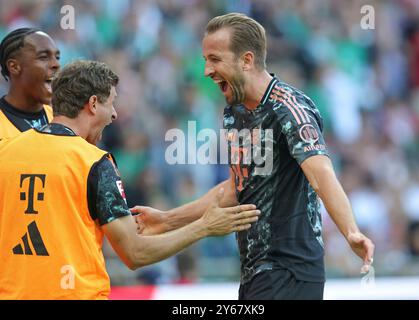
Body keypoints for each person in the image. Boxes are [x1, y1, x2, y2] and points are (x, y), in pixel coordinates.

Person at [133, 13, 374, 300]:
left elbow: (321, 174)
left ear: (246, 60)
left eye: (215, 59)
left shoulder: (289, 108)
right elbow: (238, 188)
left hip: (291, 272)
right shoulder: (236, 113)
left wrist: (350, 232)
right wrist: (167, 220)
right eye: (205, 59)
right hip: (256, 273)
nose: (207, 70)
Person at [0, 60, 260, 300]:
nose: (114, 114)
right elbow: (135, 254)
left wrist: (167, 220)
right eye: (111, 103)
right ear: (92, 104)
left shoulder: (7, 152)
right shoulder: (93, 162)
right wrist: (204, 227)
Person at [0, 27, 60, 140]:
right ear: (14, 67)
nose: (56, 64)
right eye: (43, 57)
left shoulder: (61, 120)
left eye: (57, 57)